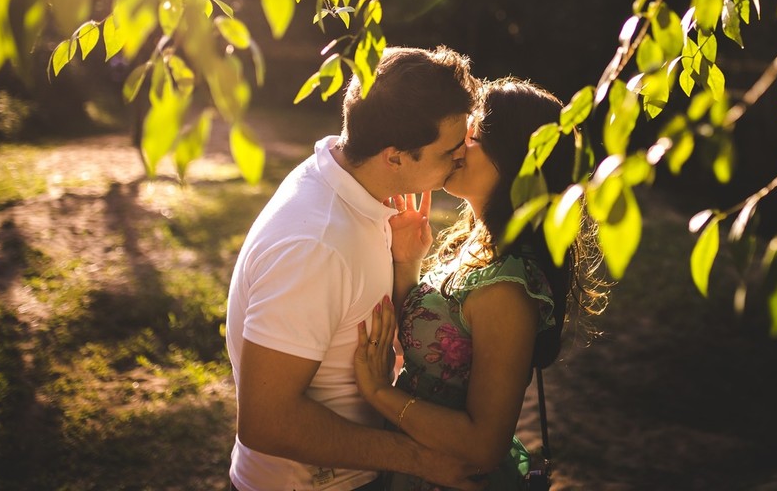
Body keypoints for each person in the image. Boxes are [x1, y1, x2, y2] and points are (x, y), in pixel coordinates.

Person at [225, 46, 485, 491]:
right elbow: (266, 422)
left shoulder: (350, 182)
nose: (461, 157)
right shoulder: (316, 246)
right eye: (449, 150)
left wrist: (404, 262)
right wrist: (420, 460)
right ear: (395, 157)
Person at [354, 78, 608, 490]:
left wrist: (381, 393)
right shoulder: (474, 244)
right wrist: (408, 260)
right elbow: (424, 343)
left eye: (471, 136)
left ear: (514, 160)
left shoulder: (506, 290)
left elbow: (484, 445)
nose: (456, 147)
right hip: (411, 464)